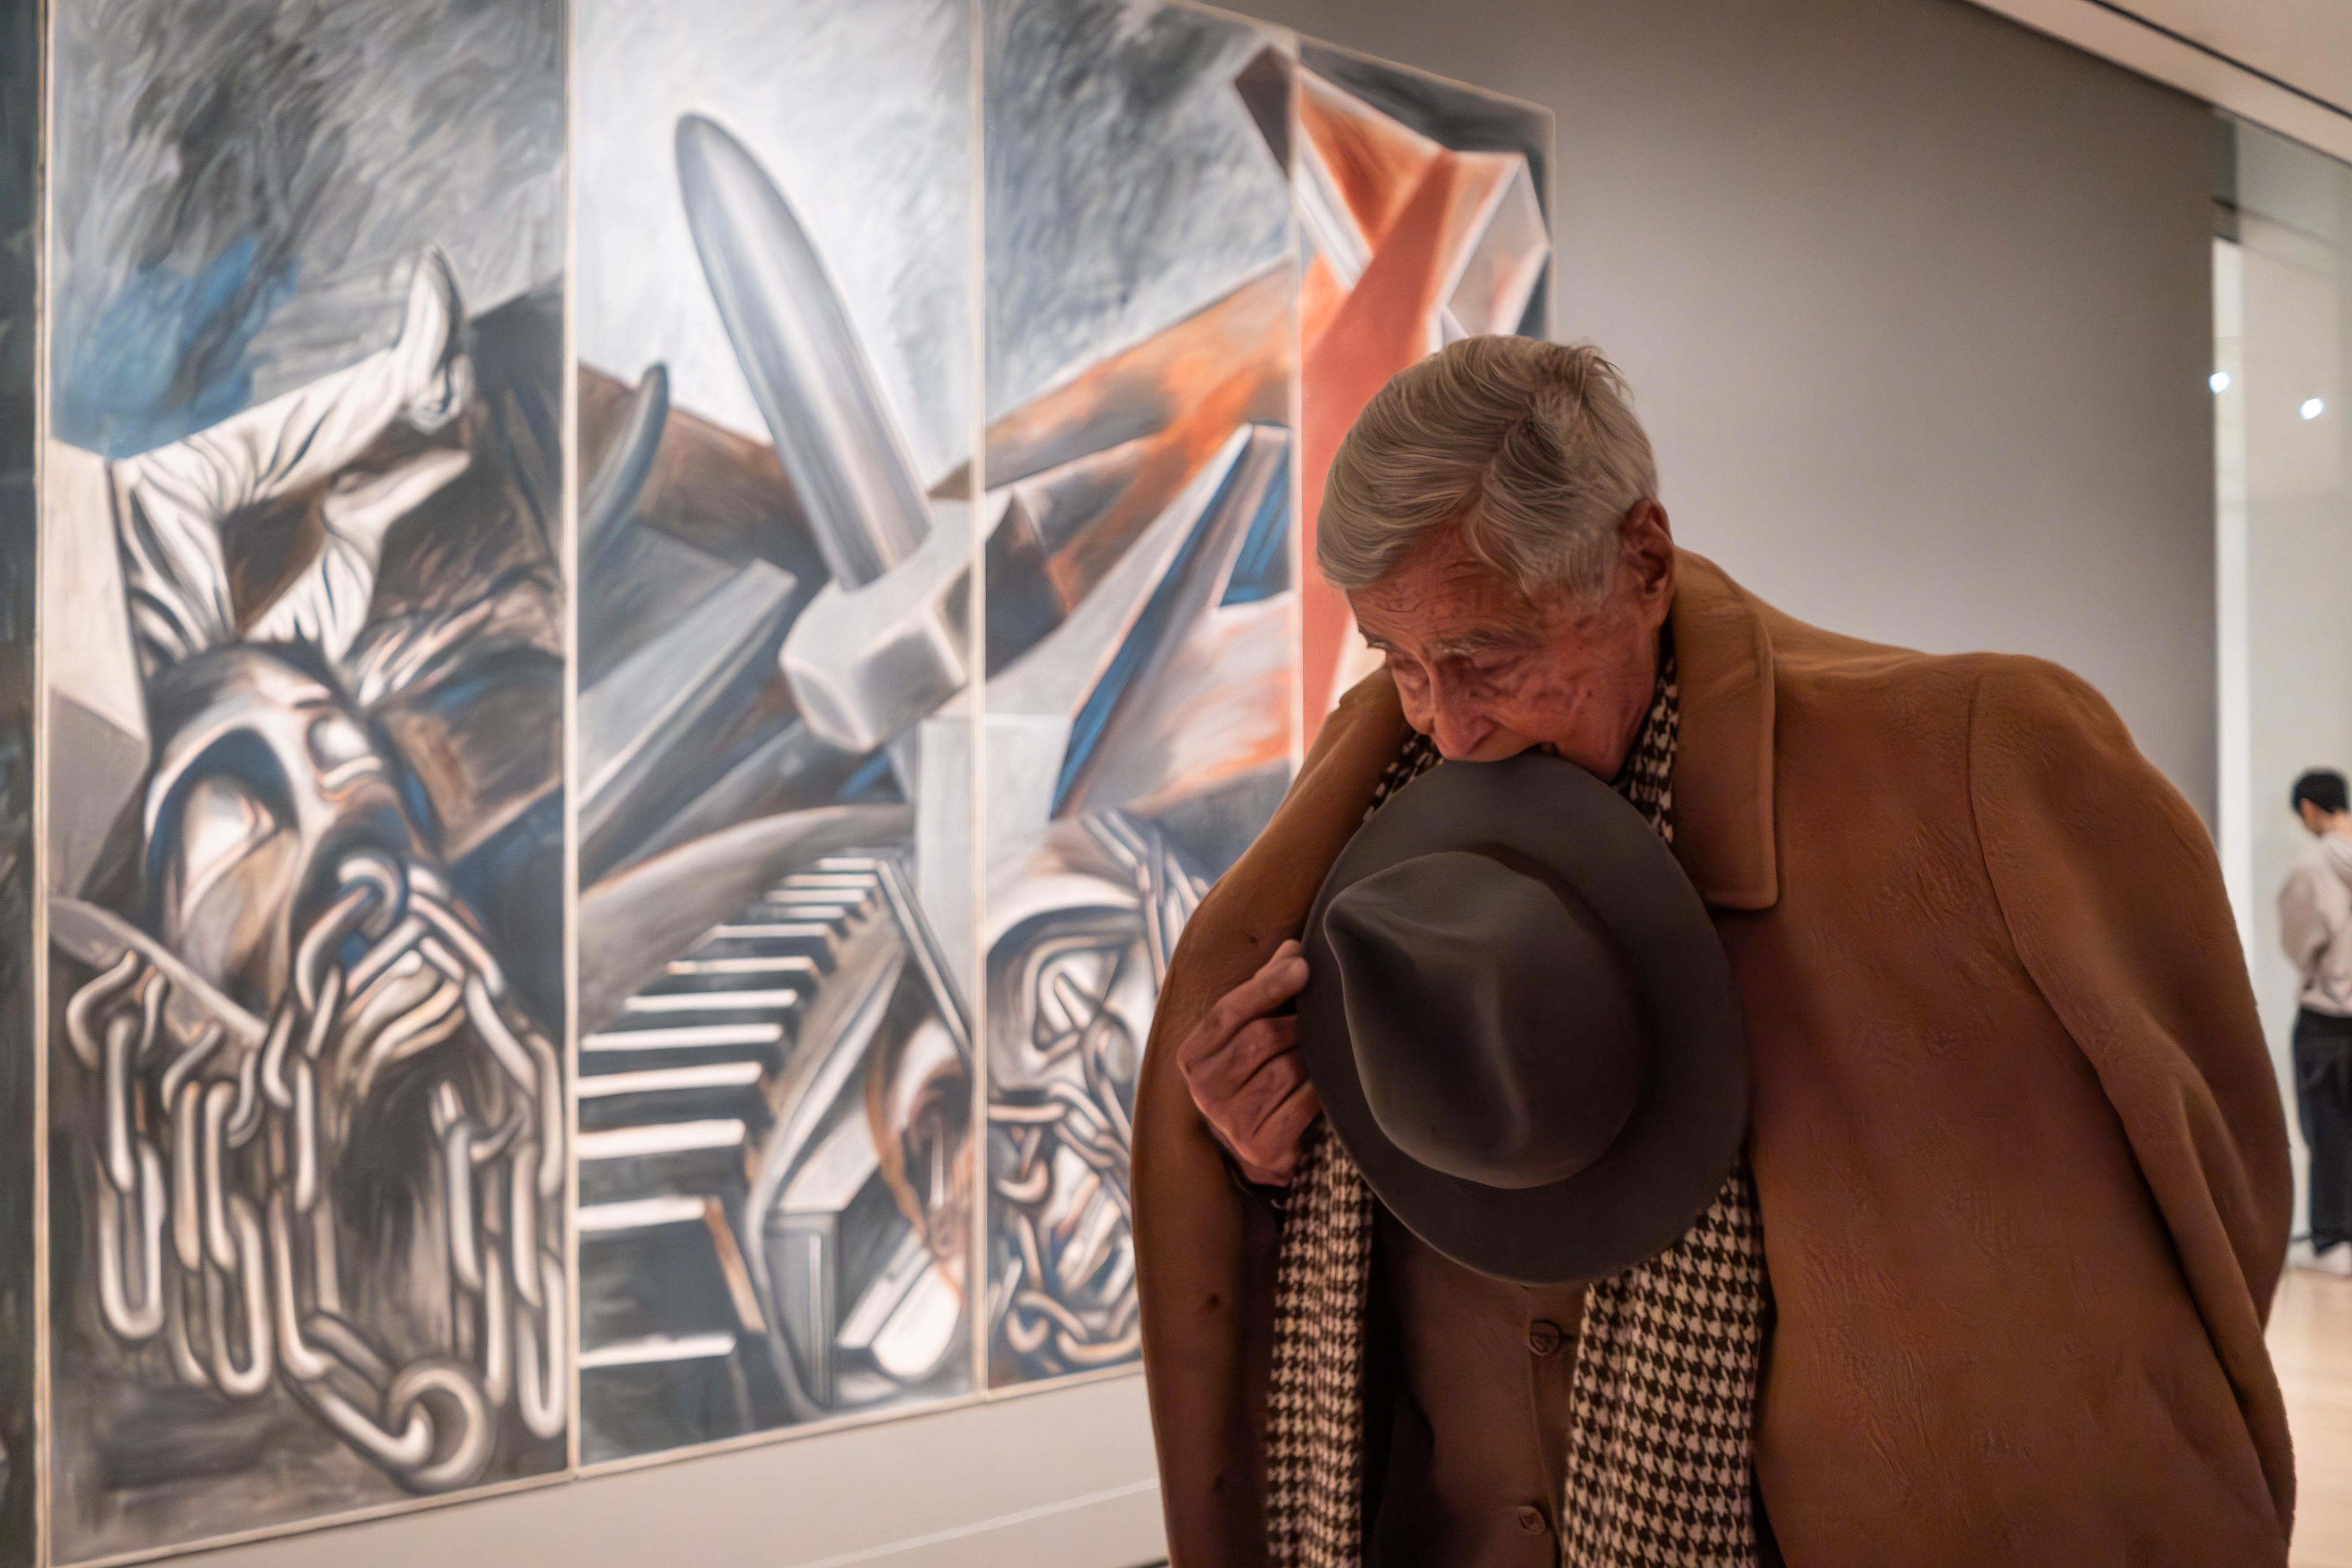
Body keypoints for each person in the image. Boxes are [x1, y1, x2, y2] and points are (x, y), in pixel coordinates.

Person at [1130, 336, 2293, 1567]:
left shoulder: (1969, 767)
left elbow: (2207, 1206)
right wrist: (1266, 1152)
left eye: (1490, 656)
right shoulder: (1359, 806)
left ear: (1642, 558)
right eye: (1401, 665)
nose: (1450, 728)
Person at [2282, 767, 2352, 1276]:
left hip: (2326, 1017)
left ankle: (2332, 1243)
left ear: (2309, 808)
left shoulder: (2311, 869)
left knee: (2327, 1130)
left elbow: (2302, 944)